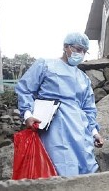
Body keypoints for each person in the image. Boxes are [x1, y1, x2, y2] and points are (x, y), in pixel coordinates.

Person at [15, 32, 104, 176]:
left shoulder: (83, 78)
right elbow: (25, 89)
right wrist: (27, 115)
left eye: (84, 51)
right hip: (52, 124)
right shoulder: (45, 65)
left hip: (78, 127)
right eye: (77, 49)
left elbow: (88, 108)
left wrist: (94, 133)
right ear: (65, 47)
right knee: (56, 166)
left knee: (85, 166)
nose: (80, 54)